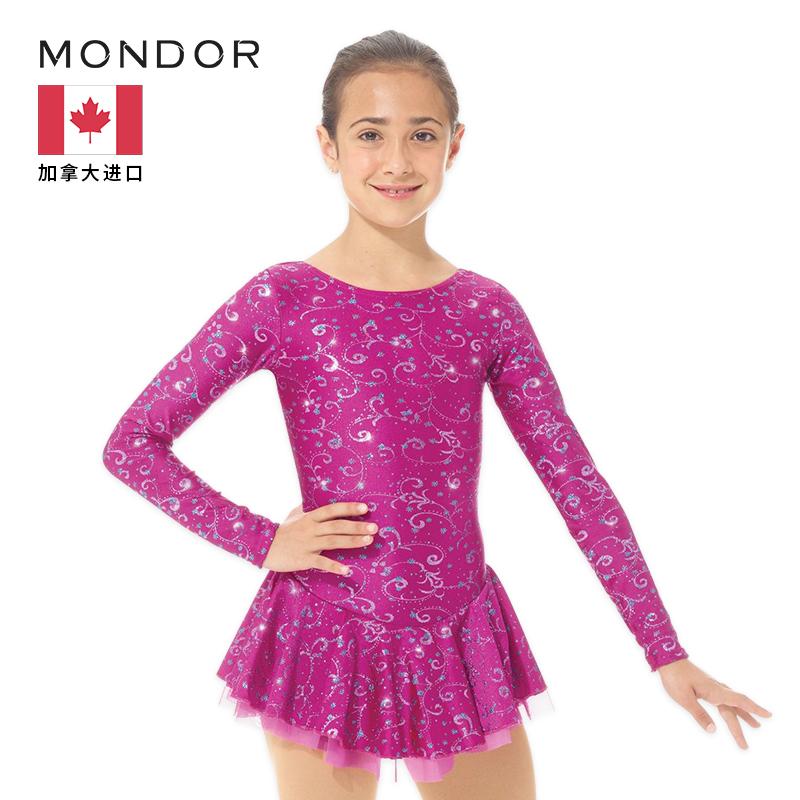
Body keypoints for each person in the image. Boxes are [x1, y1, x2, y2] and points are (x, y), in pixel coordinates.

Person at [102, 29, 772, 800]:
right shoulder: (283, 298)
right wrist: (261, 540)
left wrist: (665, 651)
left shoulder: (486, 310)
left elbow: (574, 481)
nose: (396, 161)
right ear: (327, 146)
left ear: (454, 145)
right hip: (324, 632)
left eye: (421, 135)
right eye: (370, 134)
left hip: (459, 636)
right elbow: (133, 444)